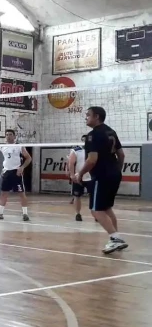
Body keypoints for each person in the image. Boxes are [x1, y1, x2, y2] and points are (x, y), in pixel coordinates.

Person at [75, 106, 127, 254]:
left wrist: (80, 174)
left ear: (96, 117)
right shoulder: (111, 131)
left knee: (96, 211)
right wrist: (117, 170)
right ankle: (115, 239)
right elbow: (121, 155)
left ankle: (115, 239)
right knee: (106, 208)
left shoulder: (93, 135)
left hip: (101, 176)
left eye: (88, 115)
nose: (86, 117)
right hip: (114, 174)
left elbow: (92, 160)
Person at [0, 129, 31, 221]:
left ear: (14, 136)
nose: (8, 136)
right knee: (4, 193)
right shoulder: (2, 147)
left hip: (16, 172)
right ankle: (0, 213)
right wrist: (3, 170)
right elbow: (6, 160)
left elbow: (28, 158)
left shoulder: (19, 146)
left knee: (21, 193)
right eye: (7, 134)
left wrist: (22, 167)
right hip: (6, 172)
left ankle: (25, 214)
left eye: (10, 134)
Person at [68, 135, 89, 221]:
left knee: (94, 196)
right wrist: (72, 175)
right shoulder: (76, 150)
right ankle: (78, 214)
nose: (85, 141)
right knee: (77, 196)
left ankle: (96, 213)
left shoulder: (94, 149)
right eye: (83, 140)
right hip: (78, 177)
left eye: (86, 140)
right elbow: (71, 163)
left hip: (91, 177)